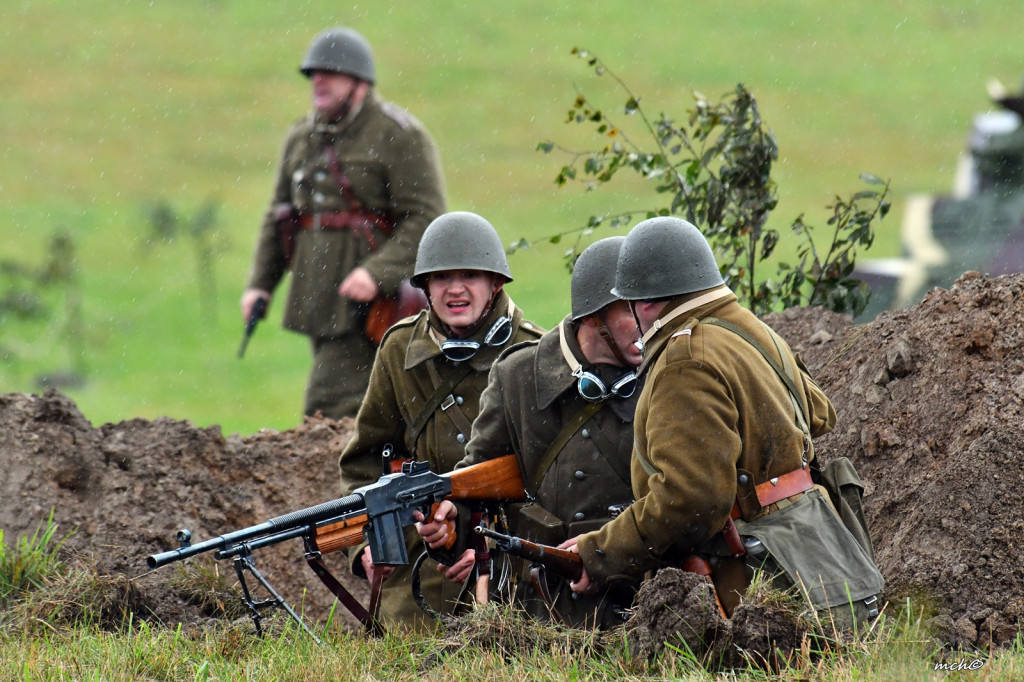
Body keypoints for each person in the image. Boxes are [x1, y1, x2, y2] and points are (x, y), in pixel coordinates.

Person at [567, 217, 884, 627]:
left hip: (751, 585)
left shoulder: (687, 359)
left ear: (643, 303)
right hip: (815, 555)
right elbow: (819, 412)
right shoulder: (750, 329)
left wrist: (601, 553)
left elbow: (690, 501)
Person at [417, 237, 641, 629]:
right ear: (593, 316)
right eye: (631, 310)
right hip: (537, 615)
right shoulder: (517, 377)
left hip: (642, 605)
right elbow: (476, 485)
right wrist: (450, 528)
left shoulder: (668, 369)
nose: (648, 322)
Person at [338, 211, 543, 631]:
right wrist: (364, 545)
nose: (455, 289)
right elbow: (363, 464)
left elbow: (554, 484)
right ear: (425, 288)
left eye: (470, 274)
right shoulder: (399, 350)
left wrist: (495, 550)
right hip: (421, 578)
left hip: (514, 576)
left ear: (496, 282)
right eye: (441, 277)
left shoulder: (534, 354)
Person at [241, 26, 446, 420]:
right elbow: (281, 217)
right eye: (313, 73)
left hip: (371, 305)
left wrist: (377, 274)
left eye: (330, 72)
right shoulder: (301, 137)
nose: (318, 80)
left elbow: (426, 218)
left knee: (329, 410)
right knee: (362, 411)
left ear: (359, 82)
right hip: (318, 296)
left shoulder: (398, 136)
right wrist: (260, 285)